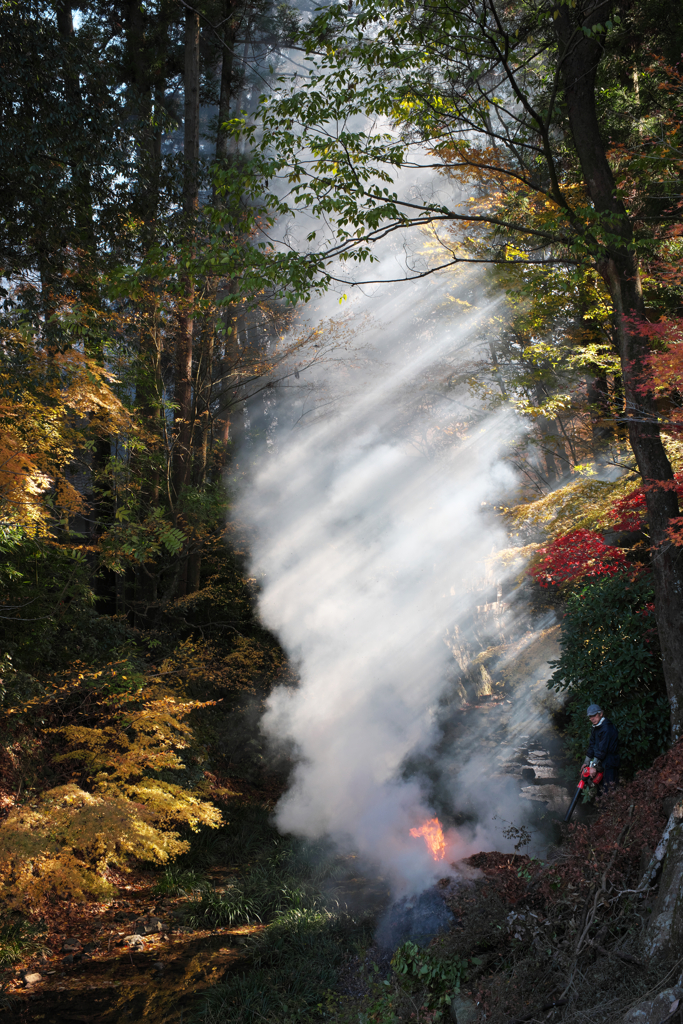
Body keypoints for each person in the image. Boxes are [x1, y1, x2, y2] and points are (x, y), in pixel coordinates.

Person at [583, 703, 619, 790]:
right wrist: (586, 762)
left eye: (594, 715)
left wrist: (593, 766)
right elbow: (592, 744)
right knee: (600, 789)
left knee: (609, 788)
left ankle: (612, 802)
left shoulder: (607, 728)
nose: (592, 718)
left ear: (601, 714)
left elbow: (602, 749)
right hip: (601, 761)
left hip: (610, 761)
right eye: (590, 716)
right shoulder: (596, 727)